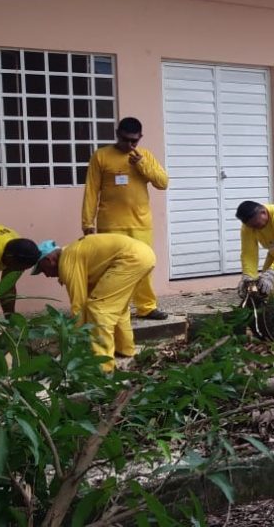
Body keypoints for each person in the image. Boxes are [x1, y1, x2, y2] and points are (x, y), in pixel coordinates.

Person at [81, 116, 169, 320]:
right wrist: (87, 222)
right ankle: (115, 308)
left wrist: (142, 165)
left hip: (140, 223)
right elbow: (91, 191)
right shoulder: (101, 156)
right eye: (125, 140)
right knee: (110, 269)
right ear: (117, 134)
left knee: (144, 265)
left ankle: (146, 307)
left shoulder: (144, 155)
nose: (129, 145)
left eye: (134, 141)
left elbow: (163, 183)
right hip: (109, 224)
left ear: (140, 138)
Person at [32, 234, 156, 372]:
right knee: (116, 307)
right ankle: (125, 350)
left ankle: (103, 367)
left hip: (131, 259)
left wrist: (74, 343)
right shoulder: (75, 253)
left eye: (43, 270)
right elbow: (86, 297)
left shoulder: (67, 261)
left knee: (99, 308)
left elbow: (78, 304)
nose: (46, 275)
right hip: (143, 254)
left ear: (49, 260)